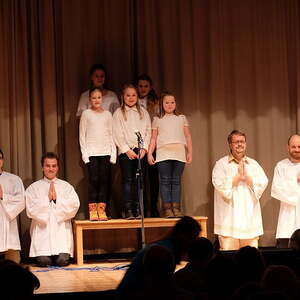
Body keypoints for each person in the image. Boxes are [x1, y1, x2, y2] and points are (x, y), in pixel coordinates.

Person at [116, 216, 201, 299]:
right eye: (192, 238)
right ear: (182, 235)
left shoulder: (166, 247)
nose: (193, 244)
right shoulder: (162, 252)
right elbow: (159, 288)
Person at [212, 130, 268, 250]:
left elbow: (263, 182)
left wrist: (249, 179)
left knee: (250, 260)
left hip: (249, 221)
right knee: (229, 260)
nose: (239, 144)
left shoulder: (253, 164)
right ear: (230, 144)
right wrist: (235, 179)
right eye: (236, 142)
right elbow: (218, 184)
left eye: (242, 141)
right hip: (229, 222)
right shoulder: (221, 164)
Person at [25, 152, 80, 267]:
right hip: (43, 235)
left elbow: (75, 205)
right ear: (42, 167)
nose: (51, 169)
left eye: (54, 166)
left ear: (58, 167)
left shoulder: (66, 186)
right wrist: (47, 200)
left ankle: (61, 254)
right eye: (48, 166)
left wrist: (56, 201)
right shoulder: (34, 188)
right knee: (43, 262)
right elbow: (30, 210)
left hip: (61, 235)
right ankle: (44, 255)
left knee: (62, 261)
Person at [147, 92, 192, 218]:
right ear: (162, 104)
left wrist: (190, 152)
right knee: (165, 181)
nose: (170, 105)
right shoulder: (157, 119)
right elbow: (153, 139)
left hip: (179, 153)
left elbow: (187, 136)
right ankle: (167, 209)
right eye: (167, 102)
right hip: (163, 154)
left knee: (176, 181)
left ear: (176, 103)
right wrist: (150, 153)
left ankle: (176, 208)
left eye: (172, 102)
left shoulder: (181, 118)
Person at [113, 84, 151, 219]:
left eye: (133, 95)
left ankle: (138, 208)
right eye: (128, 95)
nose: (131, 98)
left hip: (140, 151)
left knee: (139, 181)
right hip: (126, 152)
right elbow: (117, 133)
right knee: (128, 180)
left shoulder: (143, 112)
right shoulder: (118, 113)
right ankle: (128, 209)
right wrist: (126, 150)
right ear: (123, 96)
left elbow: (148, 130)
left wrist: (144, 148)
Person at [79, 87, 116, 221]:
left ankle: (102, 210)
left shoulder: (107, 115)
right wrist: (85, 155)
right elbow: (82, 135)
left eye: (99, 97)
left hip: (105, 152)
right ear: (89, 100)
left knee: (104, 181)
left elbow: (112, 134)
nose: (96, 100)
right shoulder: (86, 114)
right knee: (94, 181)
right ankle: (93, 210)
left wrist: (113, 154)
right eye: (94, 98)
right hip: (92, 153)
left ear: (102, 99)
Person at [136, 74, 160, 217]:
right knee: (141, 177)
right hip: (140, 144)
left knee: (154, 178)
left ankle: (154, 206)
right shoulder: (133, 102)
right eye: (140, 86)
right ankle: (142, 207)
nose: (143, 89)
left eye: (146, 86)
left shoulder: (156, 103)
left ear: (150, 87)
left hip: (154, 144)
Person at [271, 135, 300, 248]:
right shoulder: (281, 166)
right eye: (293, 147)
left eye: (299, 146)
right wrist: (295, 180)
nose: (297, 149)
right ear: (288, 147)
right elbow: (276, 189)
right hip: (287, 219)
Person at [0, 149, 25, 263]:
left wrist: (3, 196)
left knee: (13, 263)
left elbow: (21, 201)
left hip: (9, 228)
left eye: (0, 158)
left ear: (3, 160)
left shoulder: (14, 179)